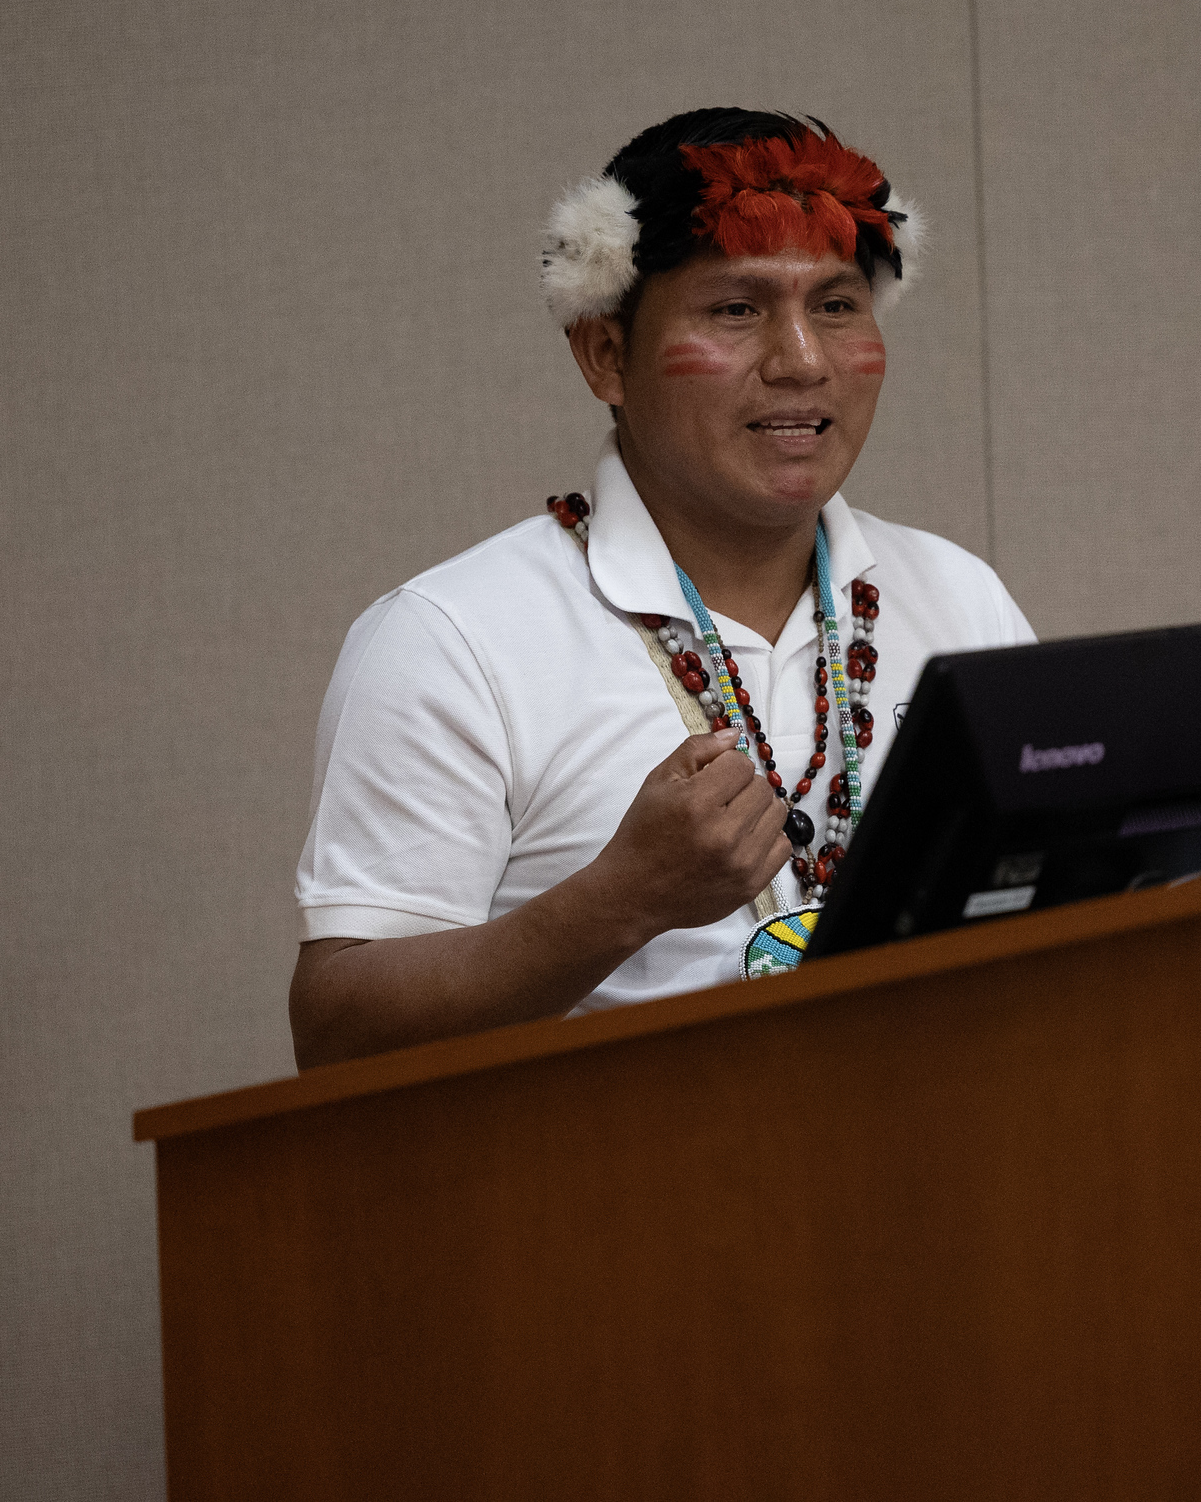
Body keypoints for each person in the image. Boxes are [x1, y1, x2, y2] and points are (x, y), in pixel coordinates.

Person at [288, 109, 1034, 1068]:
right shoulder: (453, 637)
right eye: (737, 309)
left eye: (838, 306)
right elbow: (337, 1032)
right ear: (605, 354)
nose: (802, 360)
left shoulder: (960, 600)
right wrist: (620, 900)